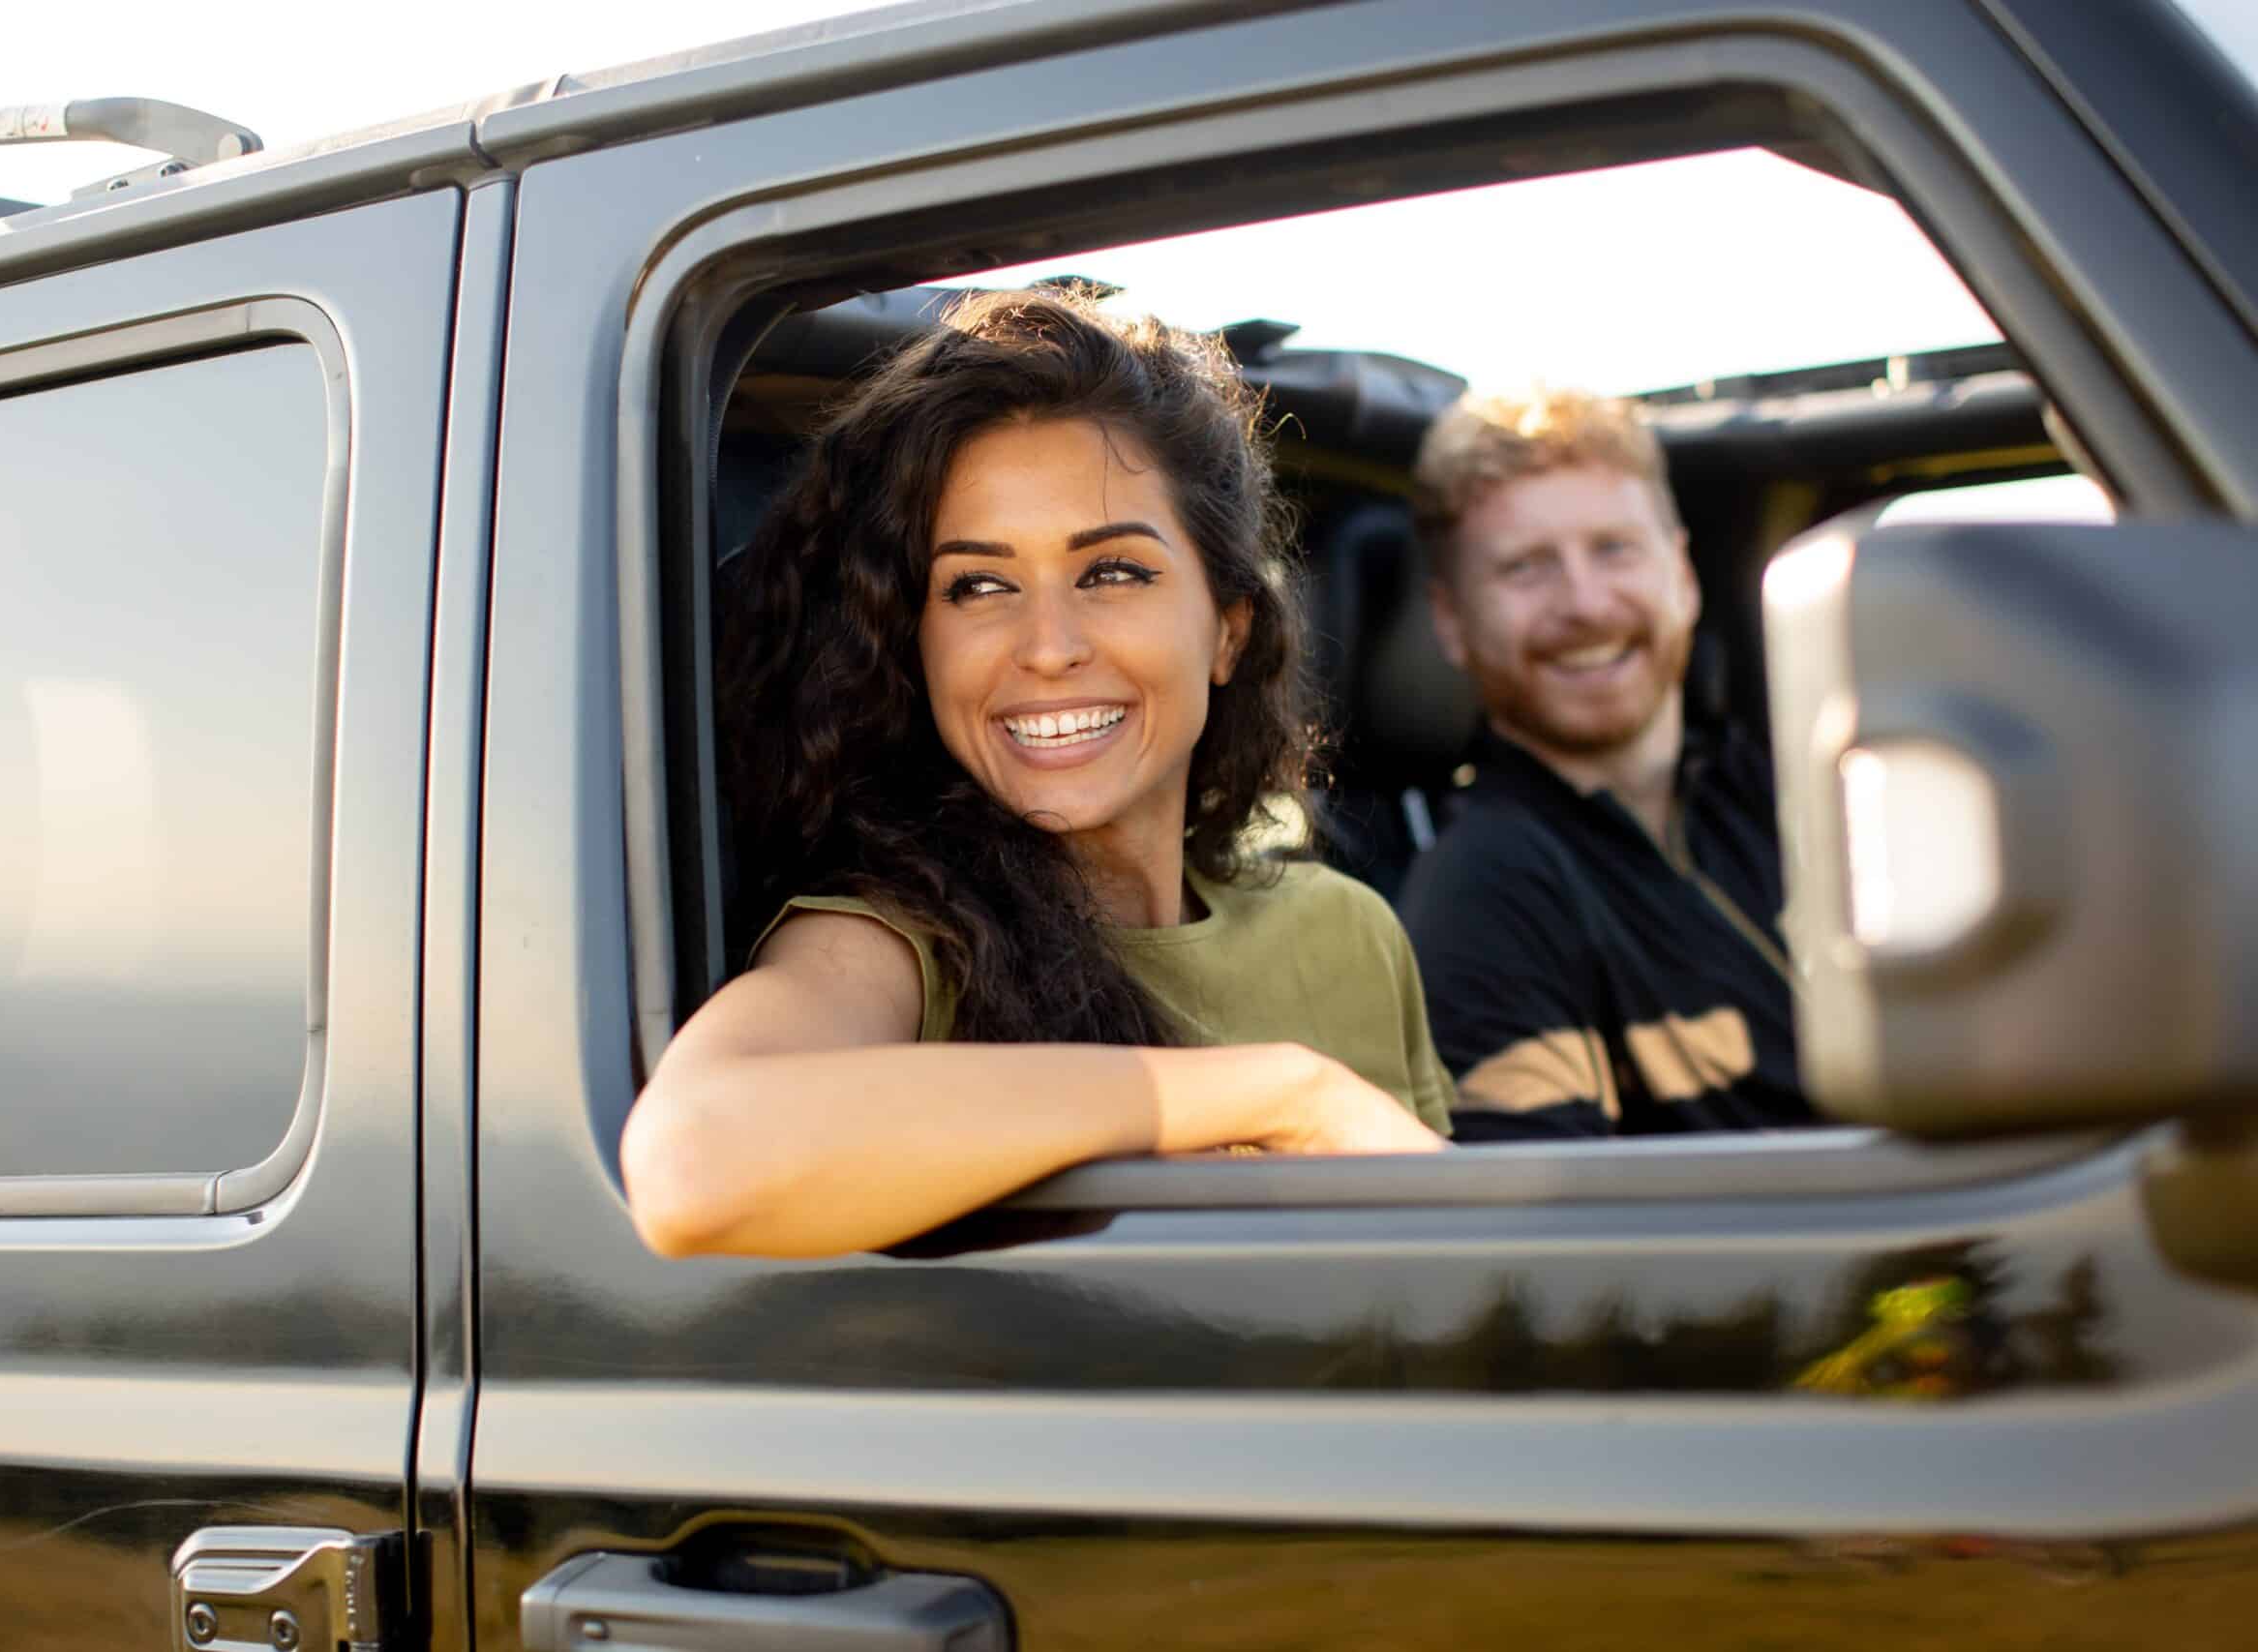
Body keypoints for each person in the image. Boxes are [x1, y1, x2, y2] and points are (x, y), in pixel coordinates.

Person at [622, 288, 1455, 1259]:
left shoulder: (1348, 934)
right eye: (979, 585)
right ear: (915, 647)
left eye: (1111, 573)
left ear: (1227, 629)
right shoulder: (897, 948)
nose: (1048, 647)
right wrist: (1282, 1095)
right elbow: (694, 1160)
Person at [1396, 387, 1814, 1140]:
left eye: (1614, 548)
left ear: (1683, 577)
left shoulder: (1794, 795)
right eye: (1526, 567)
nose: (1584, 602)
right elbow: (1544, 1241)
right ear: (1451, 622)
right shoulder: (1487, 888)